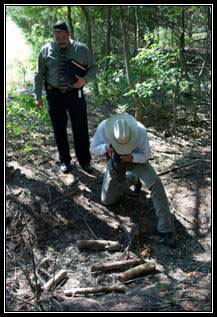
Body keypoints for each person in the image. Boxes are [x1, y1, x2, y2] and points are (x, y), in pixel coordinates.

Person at [90, 113, 176, 248]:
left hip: (137, 160)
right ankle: (132, 178)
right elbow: (93, 148)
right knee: (107, 200)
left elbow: (146, 155)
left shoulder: (140, 130)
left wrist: (131, 157)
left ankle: (165, 228)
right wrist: (106, 147)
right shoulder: (104, 127)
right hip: (115, 161)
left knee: (155, 182)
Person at [34, 21, 96, 173]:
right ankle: (65, 161)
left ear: (69, 34)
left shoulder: (81, 49)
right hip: (54, 95)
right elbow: (39, 74)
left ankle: (84, 161)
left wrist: (84, 80)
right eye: (57, 37)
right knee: (59, 129)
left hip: (76, 94)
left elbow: (93, 68)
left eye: (63, 36)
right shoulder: (45, 50)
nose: (60, 40)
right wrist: (38, 96)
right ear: (53, 36)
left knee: (80, 128)